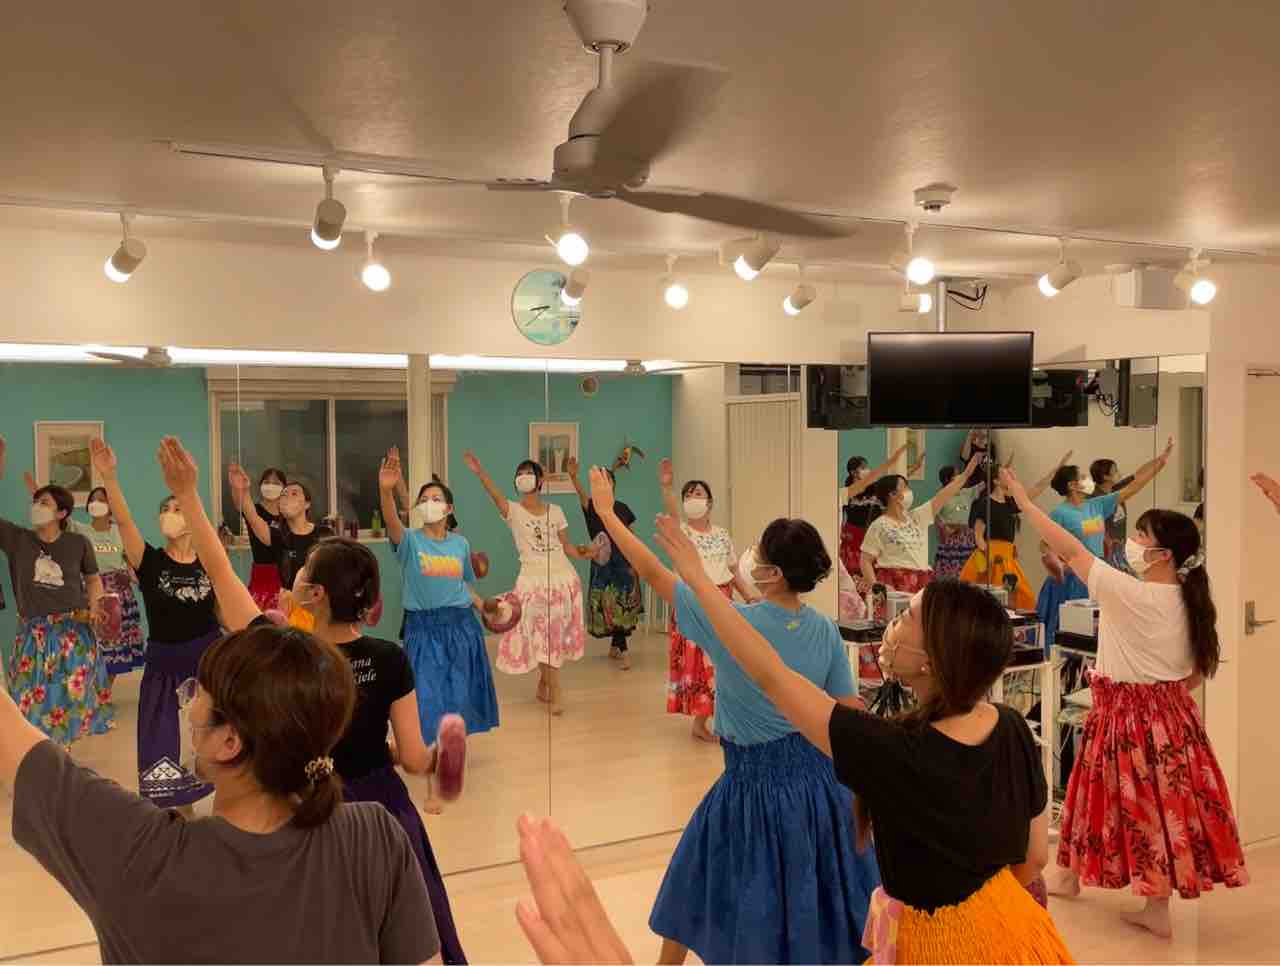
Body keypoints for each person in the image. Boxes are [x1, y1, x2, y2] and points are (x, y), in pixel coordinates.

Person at [645, 510, 1070, 964]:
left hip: (938, 949)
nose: (892, 622)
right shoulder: (1010, 724)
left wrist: (697, 579)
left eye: (906, 617)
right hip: (1022, 934)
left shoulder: (891, 749)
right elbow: (1034, 858)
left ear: (931, 658)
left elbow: (770, 674)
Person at [1, 558, 441, 962]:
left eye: (198, 693)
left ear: (229, 741)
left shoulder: (139, 853)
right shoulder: (374, 838)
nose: (188, 705)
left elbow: (12, 738)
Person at [154, 435, 466, 962]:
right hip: (388, 811)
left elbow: (219, 569)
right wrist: (438, 757)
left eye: (301, 574)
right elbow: (415, 759)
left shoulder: (286, 657)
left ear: (315, 593)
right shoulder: (389, 657)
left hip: (304, 810)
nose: (294, 578)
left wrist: (187, 494)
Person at [593, 469, 880, 965]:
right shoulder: (824, 630)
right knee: (819, 893)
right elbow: (847, 710)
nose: (750, 559)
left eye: (759, 555)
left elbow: (651, 571)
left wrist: (606, 513)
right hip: (822, 787)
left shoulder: (734, 625)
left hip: (752, 788)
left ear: (772, 574)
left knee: (697, 880)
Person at [1005, 465, 1247, 938]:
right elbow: (1195, 673)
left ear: (1162, 555)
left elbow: (1069, 548)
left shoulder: (1129, 593)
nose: (1132, 542)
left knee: (1123, 802)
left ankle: (1149, 906)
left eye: (1140, 536)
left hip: (1128, 717)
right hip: (1172, 716)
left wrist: (1025, 503)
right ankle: (1075, 876)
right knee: (1155, 803)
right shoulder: (1192, 600)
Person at [90, 438, 221, 811]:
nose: (169, 513)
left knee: (212, 745)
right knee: (164, 749)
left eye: (177, 507)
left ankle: (212, 808)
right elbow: (125, 521)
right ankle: (179, 813)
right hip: (164, 667)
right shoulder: (150, 561)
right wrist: (109, 478)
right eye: (164, 509)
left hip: (207, 665)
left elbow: (227, 612)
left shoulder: (210, 562)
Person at [0, 435, 113, 746]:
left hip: (75, 633)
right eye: (35, 502)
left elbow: (93, 580)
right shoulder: (17, 539)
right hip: (33, 637)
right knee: (30, 711)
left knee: (72, 708)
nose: (36, 508)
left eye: (44, 503)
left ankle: (64, 760)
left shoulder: (78, 543)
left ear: (62, 513)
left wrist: (96, 605)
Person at [380, 449, 499, 741]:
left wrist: (483, 606)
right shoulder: (410, 541)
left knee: (460, 694)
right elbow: (392, 520)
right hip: (423, 629)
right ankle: (429, 750)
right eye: (423, 500)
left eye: (435, 499)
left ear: (449, 508)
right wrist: (386, 491)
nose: (428, 503)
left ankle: (454, 747)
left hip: (462, 625)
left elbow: (462, 585)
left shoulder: (461, 544)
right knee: (426, 697)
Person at [464, 452, 588, 715]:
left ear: (540, 480)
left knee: (552, 636)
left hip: (563, 579)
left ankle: (546, 683)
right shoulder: (513, 511)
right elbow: (495, 496)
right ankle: (554, 688)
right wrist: (480, 472)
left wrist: (585, 552)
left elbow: (567, 546)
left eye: (528, 473)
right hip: (531, 583)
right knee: (541, 636)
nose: (523, 477)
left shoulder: (556, 511)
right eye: (519, 474)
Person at [658, 458, 759, 741]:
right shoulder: (683, 532)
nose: (693, 498)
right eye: (688, 495)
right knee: (701, 663)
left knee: (724, 661)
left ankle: (716, 720)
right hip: (693, 601)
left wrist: (748, 595)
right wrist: (666, 487)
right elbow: (672, 513)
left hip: (723, 600)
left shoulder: (722, 535)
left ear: (710, 503)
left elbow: (733, 571)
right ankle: (700, 722)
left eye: (698, 493)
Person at [1037, 438, 1173, 645]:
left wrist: (1161, 462)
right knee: (1072, 633)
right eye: (1082, 477)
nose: (1087, 479)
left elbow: (1133, 487)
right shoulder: (1060, 513)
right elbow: (1044, 545)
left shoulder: (1097, 504)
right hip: (1074, 578)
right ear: (1072, 485)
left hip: (1098, 570)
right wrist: (1060, 564)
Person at [959, 449, 1072, 610]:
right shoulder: (984, 504)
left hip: (1007, 558)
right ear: (996, 481)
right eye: (1005, 474)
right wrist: (990, 560)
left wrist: (1057, 469)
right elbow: (978, 537)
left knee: (1022, 599)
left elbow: (1038, 487)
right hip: (990, 559)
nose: (1010, 475)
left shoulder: (1011, 503)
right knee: (993, 603)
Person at [860, 453, 982, 594]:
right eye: (905, 487)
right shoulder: (879, 525)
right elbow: (865, 561)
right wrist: (876, 588)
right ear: (892, 495)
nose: (909, 491)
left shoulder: (918, 516)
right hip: (894, 585)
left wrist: (967, 473)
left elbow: (945, 494)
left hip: (921, 582)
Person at [567, 457, 643, 670]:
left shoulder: (623, 508)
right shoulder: (591, 506)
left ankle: (622, 649)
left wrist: (637, 561)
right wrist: (573, 476)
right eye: (599, 480)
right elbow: (581, 494)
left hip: (623, 564)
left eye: (607, 479)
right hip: (602, 565)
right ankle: (617, 646)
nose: (603, 483)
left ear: (613, 485)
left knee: (622, 607)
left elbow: (632, 536)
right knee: (609, 607)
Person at [70, 484, 146, 676]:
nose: (96, 503)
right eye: (93, 499)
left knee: (113, 653)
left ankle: (105, 691)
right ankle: (93, 690)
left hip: (117, 597)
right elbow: (59, 518)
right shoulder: (80, 530)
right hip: (91, 594)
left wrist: (135, 578)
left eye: (102, 500)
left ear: (112, 505)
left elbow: (132, 562)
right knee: (90, 648)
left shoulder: (120, 532)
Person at [228, 465, 333, 595]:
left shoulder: (325, 534)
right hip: (291, 602)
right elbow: (252, 515)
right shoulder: (278, 536)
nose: (288, 497)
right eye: (284, 495)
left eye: (294, 493)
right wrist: (242, 489)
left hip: (318, 600)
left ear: (307, 503)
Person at [840, 445, 913, 582]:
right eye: (863, 467)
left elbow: (893, 486)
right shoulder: (847, 492)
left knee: (870, 569)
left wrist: (910, 468)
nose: (867, 470)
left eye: (867, 467)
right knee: (852, 573)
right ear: (853, 472)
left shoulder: (875, 489)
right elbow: (842, 515)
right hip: (852, 535)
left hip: (870, 533)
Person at [227, 465, 287, 609]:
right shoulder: (254, 510)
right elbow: (240, 503)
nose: (271, 486)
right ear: (260, 486)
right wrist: (237, 487)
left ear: (284, 488)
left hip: (285, 575)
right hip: (261, 574)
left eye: (276, 483)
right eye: (267, 482)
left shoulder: (288, 514)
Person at [932, 464, 982, 581]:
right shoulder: (941, 496)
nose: (961, 477)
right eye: (957, 474)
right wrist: (944, 529)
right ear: (947, 479)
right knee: (949, 574)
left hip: (966, 538)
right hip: (950, 538)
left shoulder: (966, 493)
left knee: (966, 572)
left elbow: (986, 484)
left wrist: (998, 471)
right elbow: (935, 516)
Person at [1091, 458, 1138, 572]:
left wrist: (1161, 459)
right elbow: (1088, 528)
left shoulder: (1116, 489)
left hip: (1119, 550)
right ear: (1106, 477)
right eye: (1115, 471)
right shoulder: (1094, 498)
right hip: (1104, 555)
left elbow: (1139, 476)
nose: (1119, 473)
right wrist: (1106, 538)